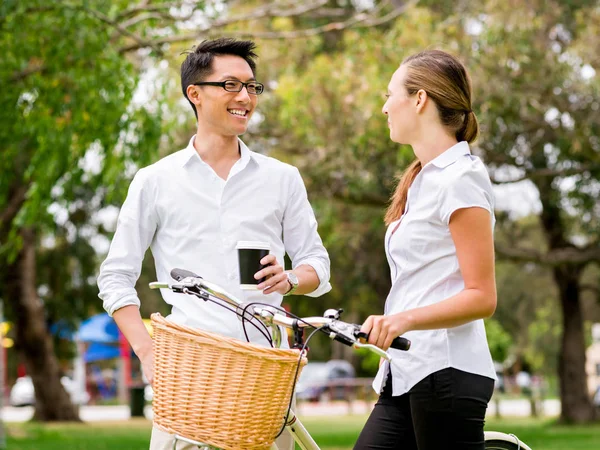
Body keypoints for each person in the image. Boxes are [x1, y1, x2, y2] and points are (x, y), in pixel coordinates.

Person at [97, 38, 331, 450]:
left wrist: (291, 278)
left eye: (252, 87)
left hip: (266, 375)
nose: (245, 97)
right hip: (187, 376)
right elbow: (116, 277)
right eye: (231, 85)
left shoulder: (283, 178)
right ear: (195, 94)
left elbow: (317, 263)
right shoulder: (155, 181)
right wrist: (149, 355)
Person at [354, 49, 497, 450]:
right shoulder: (420, 181)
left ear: (419, 100)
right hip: (406, 369)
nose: (384, 107)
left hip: (446, 371)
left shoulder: (461, 179)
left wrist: (401, 321)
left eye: (389, 94)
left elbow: (482, 297)